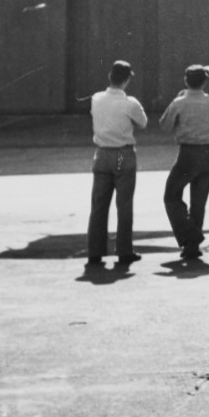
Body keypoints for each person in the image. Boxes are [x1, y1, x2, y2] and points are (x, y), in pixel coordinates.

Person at [159, 64, 209, 261]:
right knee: (199, 202)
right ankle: (192, 246)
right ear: (204, 81)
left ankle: (190, 236)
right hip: (206, 153)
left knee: (171, 196)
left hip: (187, 154)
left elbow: (165, 126)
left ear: (186, 81)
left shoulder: (179, 102)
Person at [85, 60, 148, 272]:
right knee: (124, 205)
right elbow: (143, 122)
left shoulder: (96, 99)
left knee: (99, 205)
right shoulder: (130, 103)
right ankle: (124, 250)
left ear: (110, 77)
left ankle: (95, 251)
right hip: (122, 154)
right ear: (127, 79)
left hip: (101, 153)